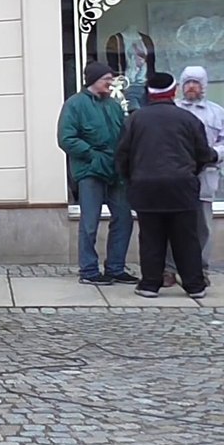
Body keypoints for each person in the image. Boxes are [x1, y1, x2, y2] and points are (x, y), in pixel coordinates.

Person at [116, 71, 216, 300]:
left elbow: (122, 156)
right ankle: (194, 285)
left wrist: (132, 179)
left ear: (149, 93)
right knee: (187, 239)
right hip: (181, 187)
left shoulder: (135, 119)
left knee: (151, 238)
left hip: (146, 187)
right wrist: (191, 173)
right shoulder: (189, 119)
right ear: (174, 91)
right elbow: (203, 154)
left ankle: (150, 284)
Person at [57, 61, 137, 286]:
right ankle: (89, 270)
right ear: (94, 80)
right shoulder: (75, 104)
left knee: (123, 219)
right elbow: (66, 138)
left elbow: (122, 133)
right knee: (89, 223)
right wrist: (93, 156)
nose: (111, 83)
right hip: (90, 171)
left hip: (115, 171)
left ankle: (115, 268)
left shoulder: (112, 105)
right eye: (107, 79)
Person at [164, 65, 224, 288]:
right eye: (188, 82)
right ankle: (169, 269)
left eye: (196, 83)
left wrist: (213, 154)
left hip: (205, 177)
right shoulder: (174, 110)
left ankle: (201, 268)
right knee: (172, 223)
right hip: (176, 176)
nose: (191, 87)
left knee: (202, 227)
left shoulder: (216, 113)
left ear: (203, 86)